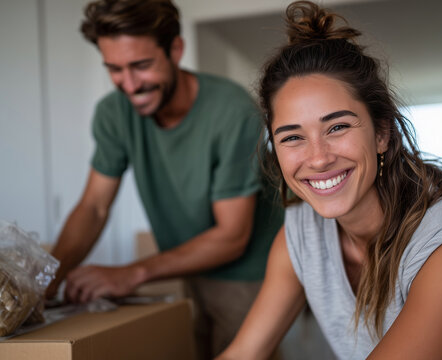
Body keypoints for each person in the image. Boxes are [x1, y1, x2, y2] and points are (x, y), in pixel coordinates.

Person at [217, 1, 442, 359]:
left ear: (382, 133)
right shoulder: (299, 236)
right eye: (292, 137)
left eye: (337, 127)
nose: (319, 157)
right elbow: (243, 353)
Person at [44, 0, 283, 358]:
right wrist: (45, 286)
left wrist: (131, 273)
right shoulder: (113, 114)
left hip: (247, 274)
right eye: (114, 69)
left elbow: (232, 237)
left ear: (176, 49)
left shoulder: (232, 110)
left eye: (141, 65)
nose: (129, 84)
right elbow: (93, 207)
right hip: (185, 264)